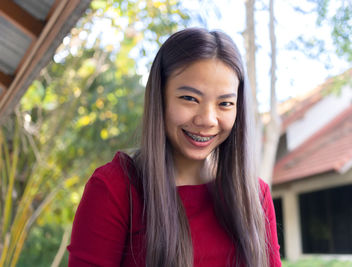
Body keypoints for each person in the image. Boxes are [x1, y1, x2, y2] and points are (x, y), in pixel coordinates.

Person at [68, 28, 281, 267]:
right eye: (190, 98)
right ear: (160, 97)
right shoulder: (114, 190)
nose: (207, 119)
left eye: (225, 103)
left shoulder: (254, 195)